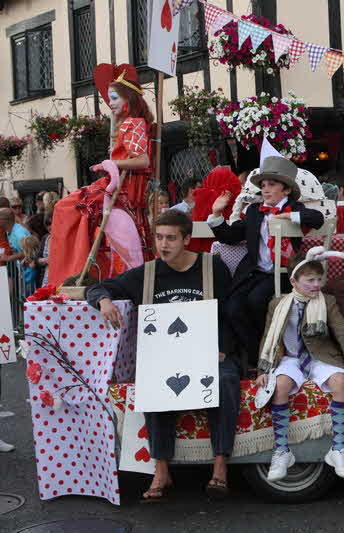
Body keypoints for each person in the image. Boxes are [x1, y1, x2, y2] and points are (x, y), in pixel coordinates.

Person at [86, 209, 238, 501]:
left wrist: (224, 349)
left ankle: (220, 466)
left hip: (209, 353)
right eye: (158, 238)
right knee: (153, 383)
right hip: (166, 357)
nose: (163, 245)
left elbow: (231, 313)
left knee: (226, 380)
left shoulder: (213, 267)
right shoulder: (148, 273)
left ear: (187, 239)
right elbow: (99, 287)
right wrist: (104, 300)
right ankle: (161, 469)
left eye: (171, 238)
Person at [255, 248, 344, 481]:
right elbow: (268, 337)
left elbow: (343, 335)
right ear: (293, 281)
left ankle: (339, 448)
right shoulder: (279, 304)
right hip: (291, 357)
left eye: (319, 280)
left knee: (340, 382)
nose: (316, 285)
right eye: (309, 280)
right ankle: (282, 450)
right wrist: (263, 369)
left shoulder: (327, 302)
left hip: (319, 357)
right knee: (280, 385)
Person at [208, 156, 324, 367]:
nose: (266, 189)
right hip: (255, 271)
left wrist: (287, 218)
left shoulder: (294, 207)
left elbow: (317, 218)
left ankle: (272, 351)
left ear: (286, 190)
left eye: (272, 184)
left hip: (282, 273)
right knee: (232, 308)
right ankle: (257, 356)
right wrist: (216, 213)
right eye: (263, 185)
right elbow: (231, 236)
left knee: (256, 300)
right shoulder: (254, 211)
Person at [49, 67, 154, 286]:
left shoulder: (133, 123)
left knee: (65, 208)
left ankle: (71, 272)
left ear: (129, 98)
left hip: (121, 192)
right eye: (108, 98)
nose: (110, 102)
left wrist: (111, 163)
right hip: (118, 190)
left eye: (114, 97)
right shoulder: (129, 123)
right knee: (66, 208)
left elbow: (143, 160)